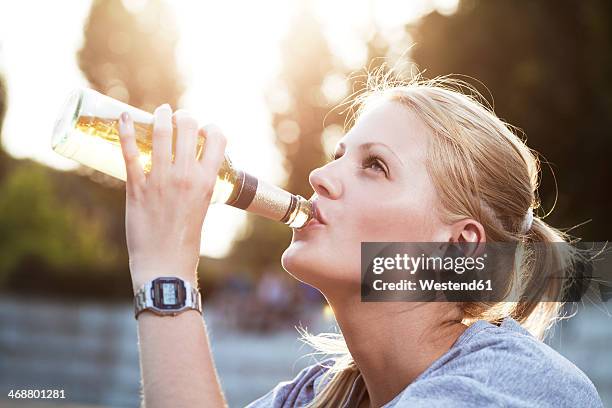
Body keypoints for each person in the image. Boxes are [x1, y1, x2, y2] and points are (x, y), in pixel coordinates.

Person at [117, 75, 603, 407]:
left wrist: (166, 270)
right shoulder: (313, 397)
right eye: (338, 155)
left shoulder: (511, 387)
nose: (319, 176)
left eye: (375, 166)